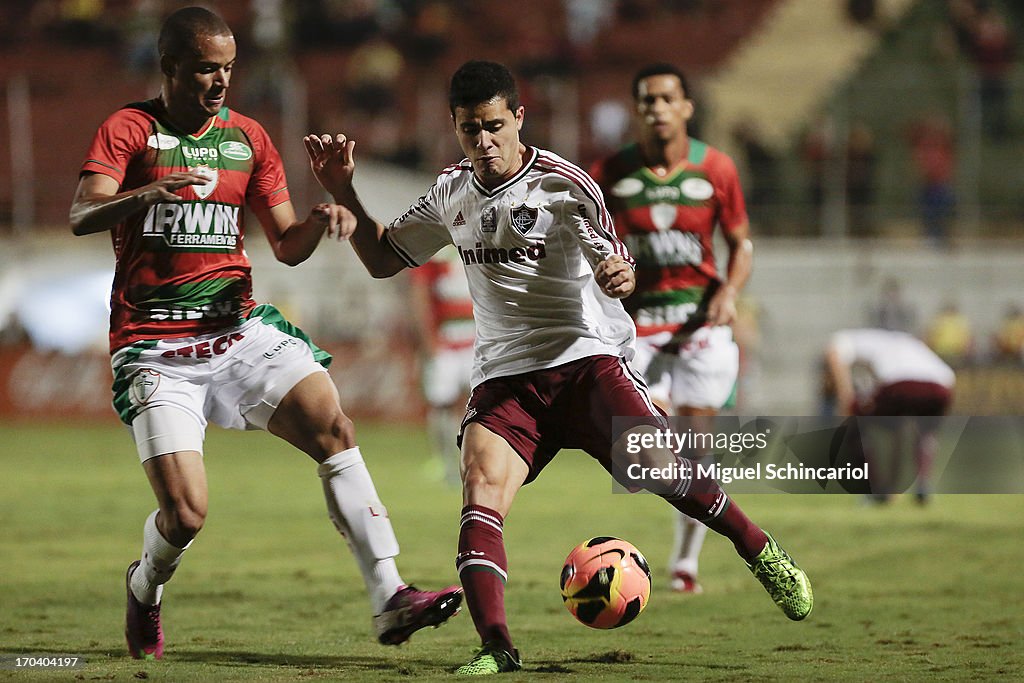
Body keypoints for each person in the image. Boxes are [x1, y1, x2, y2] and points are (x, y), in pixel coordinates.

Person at [304, 59, 812, 676]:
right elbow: (385, 260)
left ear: (519, 117)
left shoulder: (564, 184)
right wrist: (345, 192)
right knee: (479, 490)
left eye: (494, 125)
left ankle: (759, 549)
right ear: (455, 128)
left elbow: (617, 263)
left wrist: (619, 276)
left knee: (661, 468)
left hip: (585, 364)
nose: (484, 142)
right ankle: (497, 649)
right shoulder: (450, 192)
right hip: (507, 380)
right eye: (470, 130)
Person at [68, 6, 461, 662]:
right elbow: (82, 213)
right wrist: (147, 194)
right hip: (156, 343)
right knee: (187, 514)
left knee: (333, 426)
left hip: (237, 329)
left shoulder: (248, 137)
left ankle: (390, 594)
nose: (219, 81)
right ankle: (145, 584)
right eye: (203, 69)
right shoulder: (129, 129)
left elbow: (286, 245)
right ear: (168, 68)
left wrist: (326, 215)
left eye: (227, 68)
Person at [589, 63, 752, 596]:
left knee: (697, 451)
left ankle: (684, 562)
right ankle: (639, 559)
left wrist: (729, 291)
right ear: (637, 111)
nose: (657, 108)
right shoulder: (609, 173)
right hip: (640, 328)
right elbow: (589, 241)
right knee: (646, 451)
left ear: (686, 107)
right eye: (647, 100)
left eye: (666, 99)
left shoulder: (717, 169)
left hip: (701, 327)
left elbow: (741, 243)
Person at [825, 328, 956, 504]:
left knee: (853, 423)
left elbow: (835, 354)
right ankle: (923, 482)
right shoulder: (904, 339)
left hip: (901, 382)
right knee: (925, 432)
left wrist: (845, 399)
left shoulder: (851, 339)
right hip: (942, 385)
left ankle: (874, 489)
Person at [410, 246, 475, 486]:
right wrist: (428, 340)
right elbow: (420, 295)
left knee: (478, 403)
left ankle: (474, 459)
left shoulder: (476, 241)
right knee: (441, 403)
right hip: (445, 340)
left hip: (477, 340)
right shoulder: (433, 251)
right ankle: (445, 461)